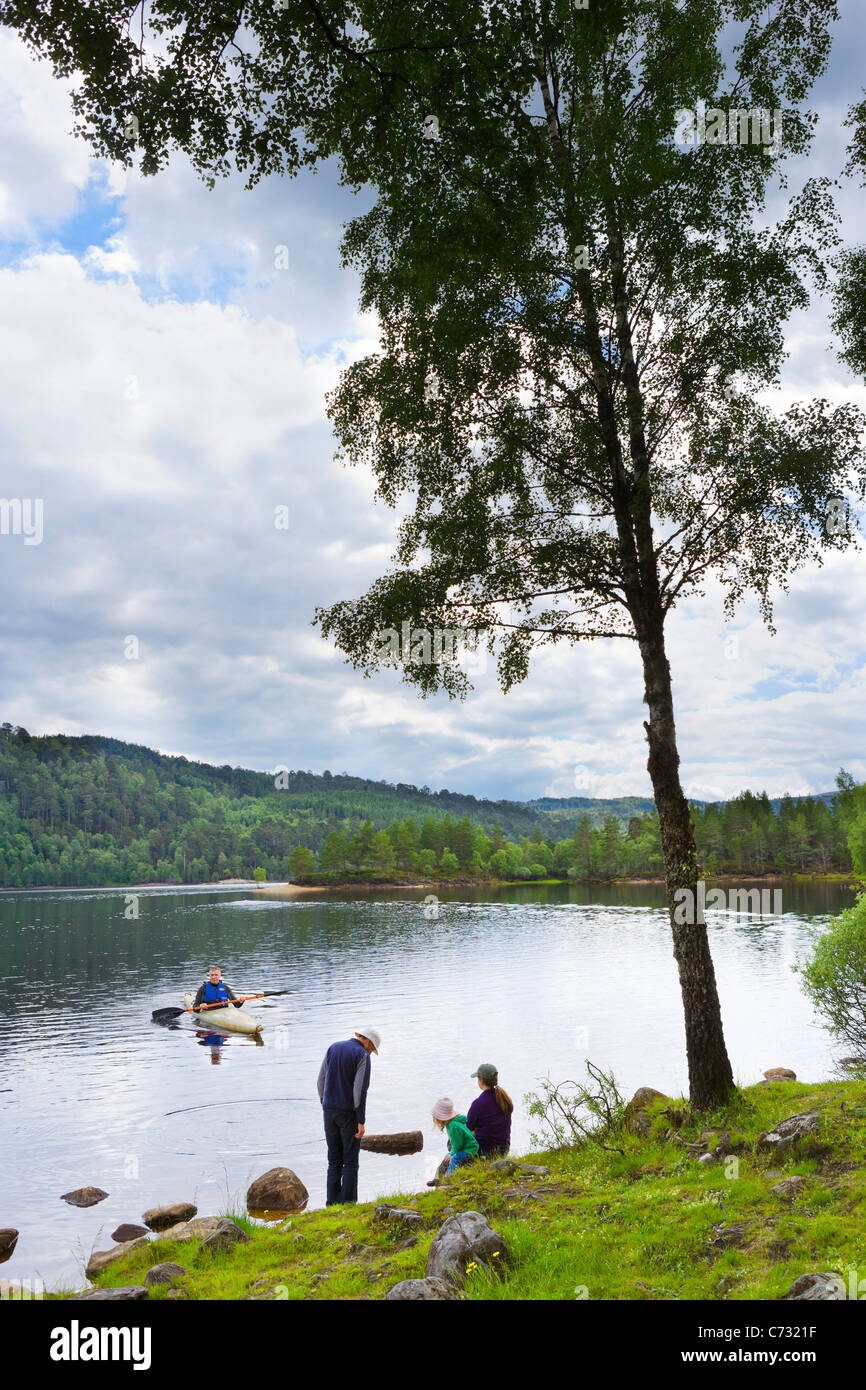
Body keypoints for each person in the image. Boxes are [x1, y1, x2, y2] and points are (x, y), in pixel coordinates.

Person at [317, 1027, 380, 1205]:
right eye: (371, 1048)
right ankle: (349, 1204)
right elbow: (359, 1091)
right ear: (367, 1041)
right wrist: (360, 1120)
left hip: (329, 1111)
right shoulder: (362, 1056)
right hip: (348, 1113)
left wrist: (325, 1104)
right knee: (350, 1161)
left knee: (334, 1160)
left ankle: (331, 1204)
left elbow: (320, 1080)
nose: (370, 1052)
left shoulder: (333, 1047)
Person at [467, 1062, 513, 1158]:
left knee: (457, 1135)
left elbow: (468, 1129)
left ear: (481, 1079)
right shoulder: (503, 1099)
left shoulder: (478, 1103)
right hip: (503, 1150)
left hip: (485, 1152)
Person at [432, 1097, 479, 1174]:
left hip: (469, 1149)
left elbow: (458, 1145)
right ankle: (438, 1177)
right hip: (464, 1147)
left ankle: (449, 1176)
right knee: (447, 1157)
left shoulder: (453, 1126)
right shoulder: (451, 1123)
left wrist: (452, 1154)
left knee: (454, 1158)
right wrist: (450, 1154)